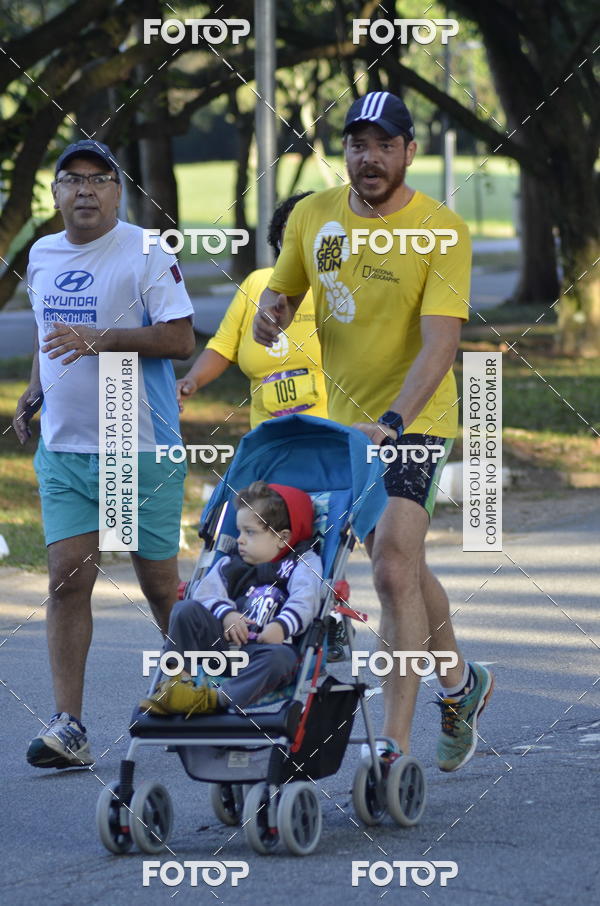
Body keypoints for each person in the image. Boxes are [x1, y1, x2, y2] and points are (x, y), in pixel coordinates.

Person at [254, 91, 494, 773]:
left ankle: (393, 745)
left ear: (409, 152)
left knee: (391, 564)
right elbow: (285, 294)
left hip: (417, 417)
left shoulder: (440, 231)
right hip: (346, 427)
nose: (370, 157)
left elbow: (441, 345)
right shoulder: (311, 215)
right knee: (407, 566)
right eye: (358, 143)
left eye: (385, 144)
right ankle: (460, 686)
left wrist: (392, 422)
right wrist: (272, 316)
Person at [12, 139, 195, 769]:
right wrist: (32, 396)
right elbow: (46, 336)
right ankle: (70, 726)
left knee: (161, 587)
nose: (85, 189)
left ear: (119, 190)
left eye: (99, 178)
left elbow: (179, 338)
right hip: (65, 449)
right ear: (56, 194)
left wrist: (103, 340)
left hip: (137, 443)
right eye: (72, 179)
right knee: (67, 580)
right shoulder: (40, 253)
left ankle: (207, 686)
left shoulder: (146, 249)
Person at [140, 481, 322, 716]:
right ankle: (178, 684)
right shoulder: (231, 563)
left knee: (282, 659)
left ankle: (212, 700)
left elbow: (306, 600)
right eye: (239, 531)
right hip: (221, 649)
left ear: (282, 537)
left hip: (264, 652)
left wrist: (281, 626)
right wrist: (227, 614)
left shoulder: (302, 563)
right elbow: (205, 592)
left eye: (250, 532)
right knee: (184, 609)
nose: (240, 540)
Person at [176, 193, 328, 429]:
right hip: (268, 442)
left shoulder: (341, 288)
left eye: (312, 223)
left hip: (334, 439)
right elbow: (224, 346)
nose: (302, 232)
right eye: (293, 224)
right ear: (278, 237)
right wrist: (192, 380)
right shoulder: (256, 284)